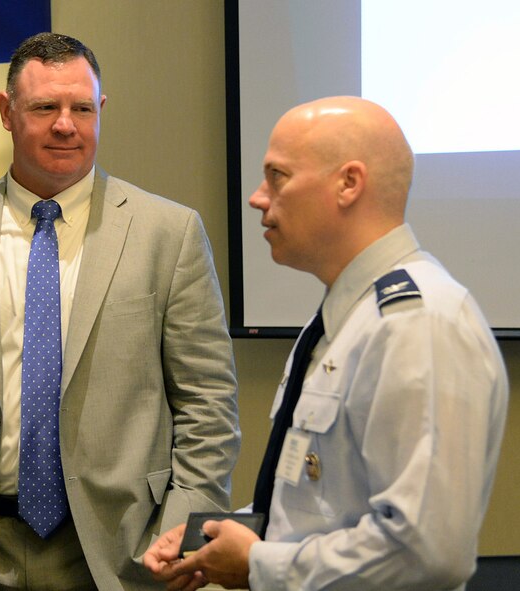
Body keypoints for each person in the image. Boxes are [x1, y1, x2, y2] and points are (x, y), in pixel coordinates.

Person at [0, 32, 240, 590]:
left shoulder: (169, 234)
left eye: (82, 108)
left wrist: (181, 528)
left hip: (120, 553)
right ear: (6, 111)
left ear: (102, 111)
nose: (65, 125)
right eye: (45, 107)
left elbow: (208, 406)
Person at [143, 96, 509, 591]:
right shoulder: (347, 317)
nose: (257, 197)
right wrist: (212, 541)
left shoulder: (419, 323)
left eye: (278, 177)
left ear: (348, 184)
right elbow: (316, 504)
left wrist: (259, 565)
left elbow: (426, 552)